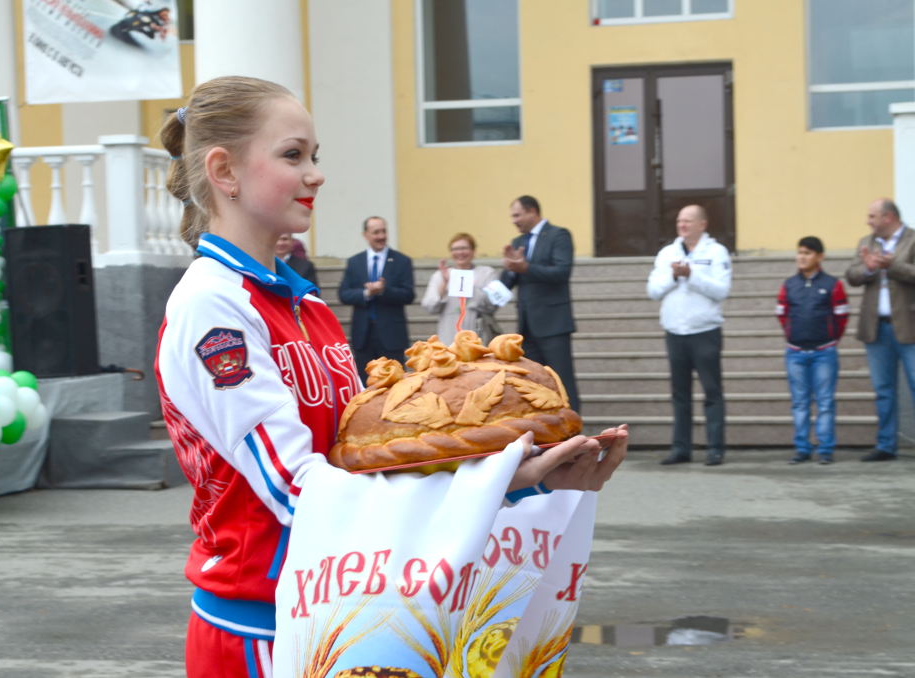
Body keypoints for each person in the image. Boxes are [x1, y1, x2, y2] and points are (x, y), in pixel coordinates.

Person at [154, 76, 626, 676]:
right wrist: (495, 481)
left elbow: (369, 462)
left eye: (315, 156)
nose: (316, 174)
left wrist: (528, 479)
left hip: (347, 605)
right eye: (293, 155)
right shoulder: (212, 306)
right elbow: (295, 490)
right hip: (260, 629)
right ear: (225, 171)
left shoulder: (307, 304)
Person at [647, 204, 732, 466]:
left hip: (705, 331)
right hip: (675, 331)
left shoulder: (716, 252)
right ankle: (681, 448)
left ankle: (715, 448)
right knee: (680, 394)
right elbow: (653, 290)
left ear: (702, 224)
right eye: (679, 221)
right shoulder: (667, 253)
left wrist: (691, 275)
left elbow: (721, 290)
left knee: (712, 391)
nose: (682, 225)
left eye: (688, 221)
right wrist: (674, 276)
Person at [845, 198, 915, 462]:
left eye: (872, 216)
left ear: (888, 217)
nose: (868, 222)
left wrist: (892, 266)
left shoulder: (912, 239)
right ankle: (886, 445)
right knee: (883, 389)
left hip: (909, 327)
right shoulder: (867, 242)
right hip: (877, 328)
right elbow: (852, 275)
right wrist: (868, 268)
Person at [500, 195, 580, 411]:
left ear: (532, 212)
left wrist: (525, 267)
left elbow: (562, 272)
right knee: (533, 383)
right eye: (512, 216)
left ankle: (573, 428)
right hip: (527, 326)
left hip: (553, 323)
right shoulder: (517, 242)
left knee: (562, 382)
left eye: (517, 215)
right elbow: (509, 280)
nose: (514, 221)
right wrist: (509, 269)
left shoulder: (558, 235)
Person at [776, 236, 849, 465]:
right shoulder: (789, 285)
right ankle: (802, 449)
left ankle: (825, 449)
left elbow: (842, 316)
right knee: (800, 403)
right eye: (799, 252)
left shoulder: (833, 284)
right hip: (795, 353)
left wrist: (830, 338)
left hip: (824, 353)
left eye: (807, 253)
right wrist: (792, 334)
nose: (802, 257)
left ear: (820, 257)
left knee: (825, 402)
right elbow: (781, 314)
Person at [338, 216, 415, 375]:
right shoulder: (355, 262)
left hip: (392, 336)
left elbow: (409, 294)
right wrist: (366, 293)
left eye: (384, 231)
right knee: (365, 383)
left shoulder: (402, 261)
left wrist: (384, 290)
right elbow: (344, 294)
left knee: (394, 382)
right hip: (363, 336)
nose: (381, 236)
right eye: (376, 232)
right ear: (365, 235)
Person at [420, 232, 502, 345]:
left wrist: (472, 287)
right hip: (449, 332)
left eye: (464, 248)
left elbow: (493, 305)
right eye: (455, 249)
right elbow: (430, 307)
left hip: (478, 331)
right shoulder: (440, 275)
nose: (460, 252)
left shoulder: (487, 273)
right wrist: (445, 283)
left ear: (473, 251)